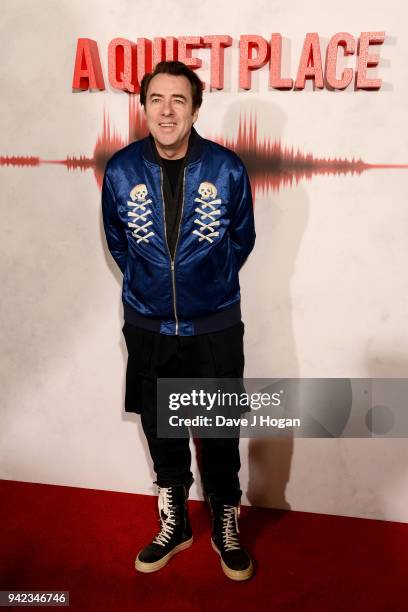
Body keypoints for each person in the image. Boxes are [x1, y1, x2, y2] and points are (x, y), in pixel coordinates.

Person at [102, 60, 256, 581]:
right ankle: (175, 523)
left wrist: (202, 286)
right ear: (143, 106)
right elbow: (120, 244)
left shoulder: (228, 168)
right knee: (161, 424)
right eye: (157, 100)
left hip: (214, 324)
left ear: (194, 108)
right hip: (147, 325)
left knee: (216, 428)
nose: (167, 111)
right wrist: (153, 289)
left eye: (179, 100)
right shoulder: (121, 170)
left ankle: (224, 519)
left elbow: (242, 240)